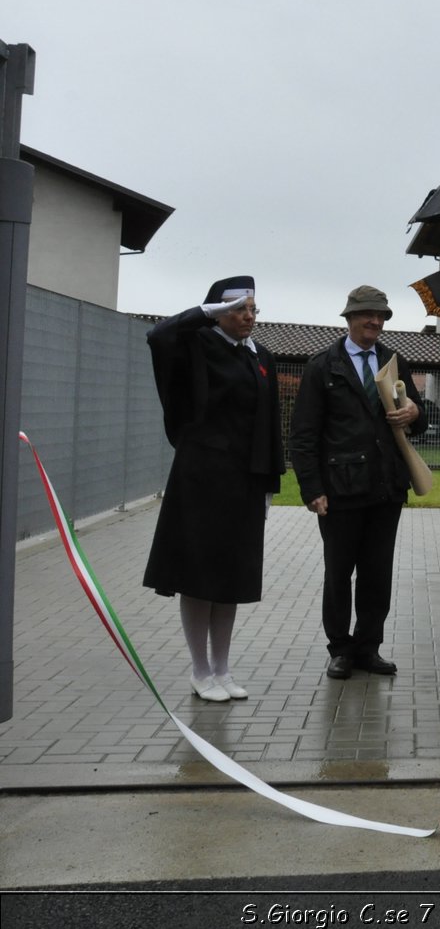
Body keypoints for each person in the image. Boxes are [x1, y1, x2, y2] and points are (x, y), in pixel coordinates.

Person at [142, 276, 283, 702]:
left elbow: (271, 422)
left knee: (231, 577)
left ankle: (222, 668)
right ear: (218, 311)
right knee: (199, 577)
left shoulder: (262, 358)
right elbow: (158, 336)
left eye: (253, 309)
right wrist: (205, 313)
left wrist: (269, 482)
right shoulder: (197, 344)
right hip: (201, 478)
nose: (248, 316)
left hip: (244, 480)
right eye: (240, 308)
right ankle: (199, 670)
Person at [289, 286, 425, 682]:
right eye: (368, 315)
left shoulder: (392, 362)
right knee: (338, 573)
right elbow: (303, 435)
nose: (376, 322)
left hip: (385, 487)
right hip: (340, 488)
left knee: (377, 572)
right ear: (349, 318)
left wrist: (415, 412)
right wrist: (312, 489)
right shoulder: (322, 366)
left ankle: (369, 647)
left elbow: (420, 420)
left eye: (381, 316)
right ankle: (340, 649)